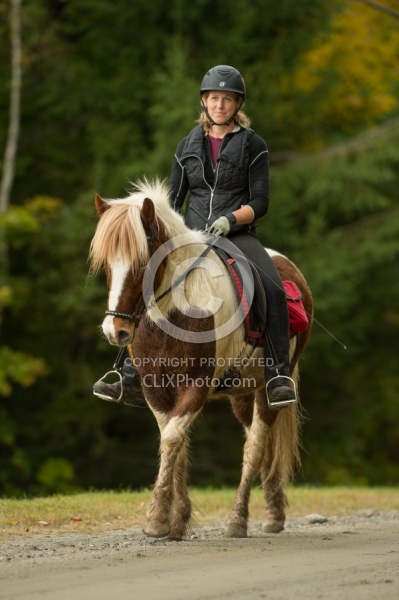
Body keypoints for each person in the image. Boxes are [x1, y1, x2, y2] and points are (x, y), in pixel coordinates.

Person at [94, 64, 296, 409]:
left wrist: (230, 219)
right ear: (204, 102)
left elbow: (260, 202)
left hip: (237, 234)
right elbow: (173, 200)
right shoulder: (187, 144)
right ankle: (127, 369)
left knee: (273, 285)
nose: (220, 105)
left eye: (227, 99)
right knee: (145, 281)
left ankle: (277, 373)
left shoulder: (253, 145)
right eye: (214, 98)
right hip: (190, 234)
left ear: (237, 104)